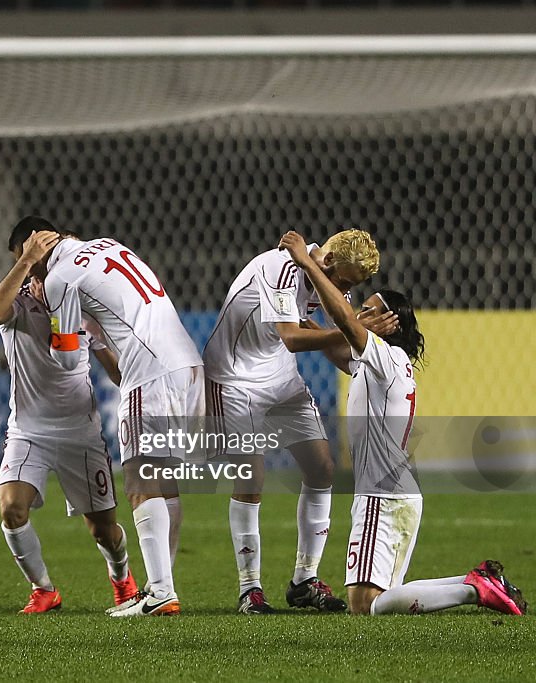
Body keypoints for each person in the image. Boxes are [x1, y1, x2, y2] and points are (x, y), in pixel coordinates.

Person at [279, 230, 527, 617]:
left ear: (389, 322)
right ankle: (477, 581)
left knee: (365, 606)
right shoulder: (383, 362)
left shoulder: (384, 357)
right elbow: (333, 336)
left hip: (383, 495)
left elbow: (343, 320)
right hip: (398, 495)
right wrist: (290, 321)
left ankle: (472, 590)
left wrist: (307, 262)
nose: (360, 311)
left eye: (371, 308)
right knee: (383, 599)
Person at [202, 228, 392, 615]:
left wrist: (368, 367)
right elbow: (291, 336)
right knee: (251, 477)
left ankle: (304, 580)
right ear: (330, 261)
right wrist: (354, 330)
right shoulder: (282, 268)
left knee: (322, 467)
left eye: (350, 285)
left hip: (280, 376)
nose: (344, 288)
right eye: (344, 280)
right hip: (234, 377)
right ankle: (249, 589)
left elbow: (330, 334)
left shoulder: (329, 274)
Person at [31, 216, 204, 617]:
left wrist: (58, 317)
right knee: (163, 479)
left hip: (149, 374)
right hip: (185, 364)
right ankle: (162, 587)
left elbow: (66, 357)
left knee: (140, 480)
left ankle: (161, 590)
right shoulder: (108, 243)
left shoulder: (58, 279)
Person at [0, 227, 138, 614]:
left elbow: (116, 371)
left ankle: (122, 580)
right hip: (28, 431)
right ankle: (43, 590)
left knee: (103, 529)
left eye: (36, 252)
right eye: (24, 254)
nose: (33, 262)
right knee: (11, 508)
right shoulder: (16, 300)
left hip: (80, 432)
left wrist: (114, 355)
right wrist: (24, 262)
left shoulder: (79, 297)